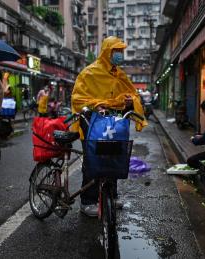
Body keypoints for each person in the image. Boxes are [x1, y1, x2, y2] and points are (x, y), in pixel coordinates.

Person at [71, 36, 147, 217]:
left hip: (114, 122)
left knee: (113, 157)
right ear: (107, 52)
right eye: (116, 51)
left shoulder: (120, 75)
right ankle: (88, 201)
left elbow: (134, 95)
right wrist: (96, 104)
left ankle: (111, 195)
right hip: (93, 122)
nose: (120, 55)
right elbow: (77, 98)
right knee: (93, 161)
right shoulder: (89, 73)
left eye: (121, 51)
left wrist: (129, 101)